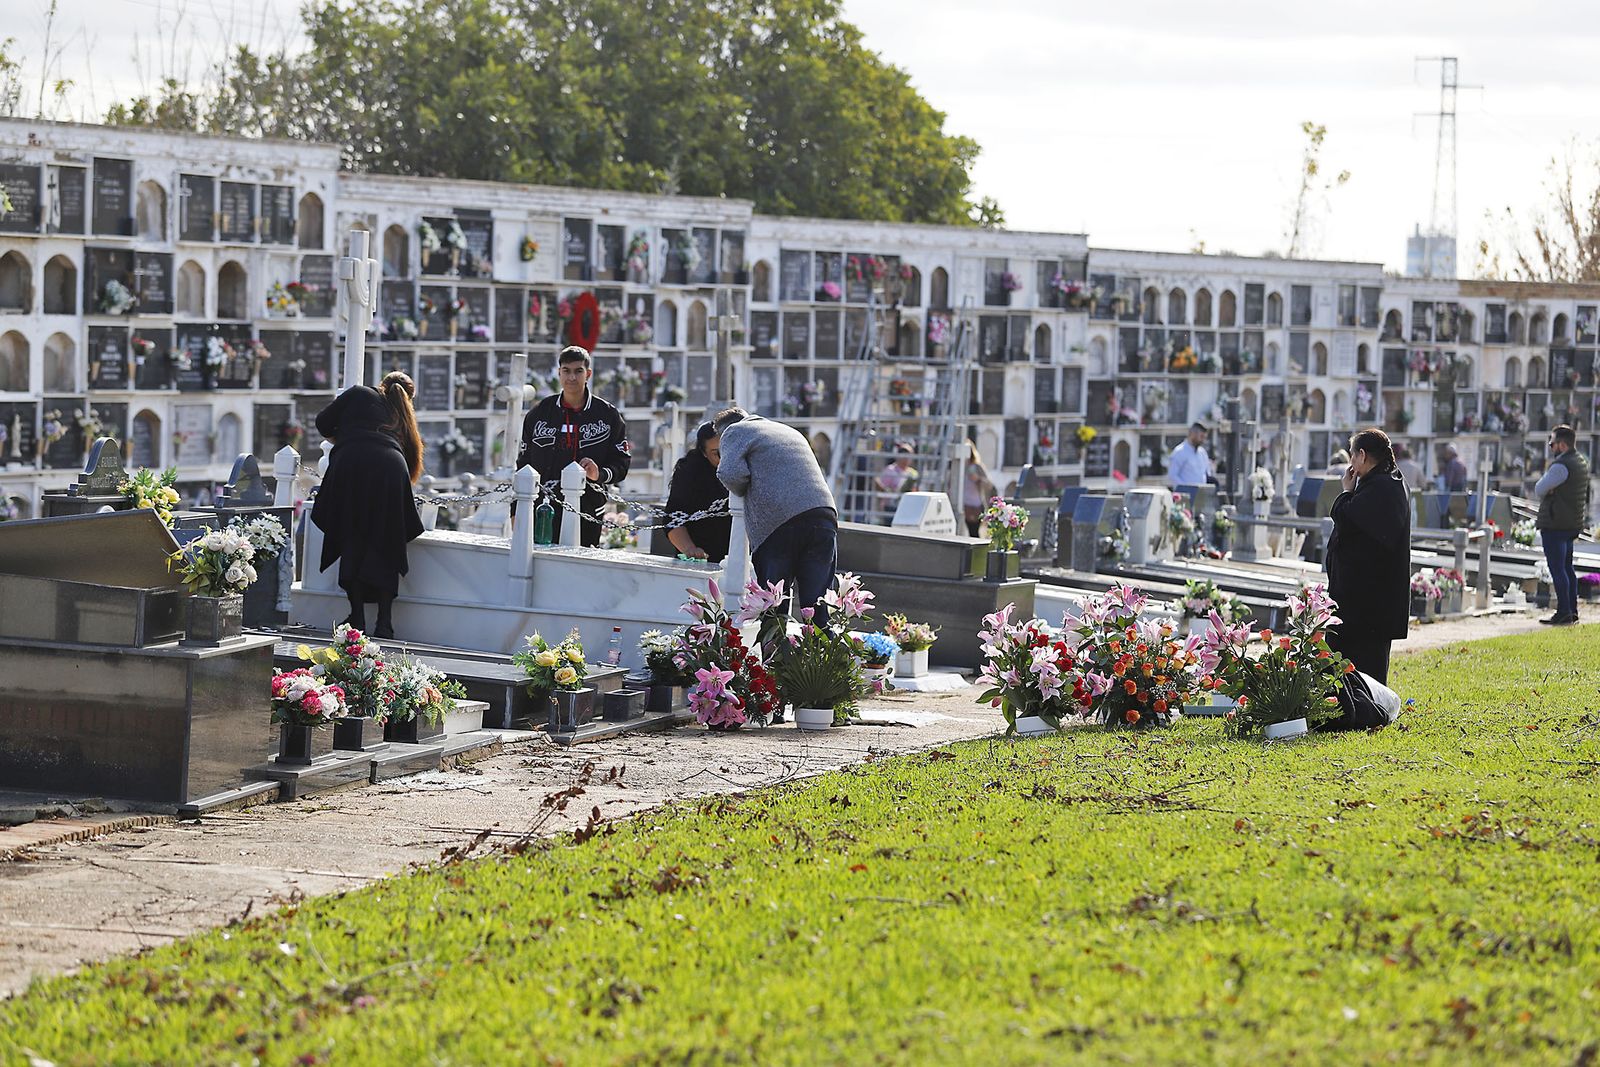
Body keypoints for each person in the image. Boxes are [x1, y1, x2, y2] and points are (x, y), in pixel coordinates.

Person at [311, 371, 426, 639]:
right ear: (409, 397)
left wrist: (345, 437)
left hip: (351, 466)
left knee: (353, 536)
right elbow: (410, 461)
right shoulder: (404, 415)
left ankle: (358, 617)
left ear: (383, 384)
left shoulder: (359, 393)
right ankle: (385, 622)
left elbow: (322, 422)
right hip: (390, 469)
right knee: (386, 542)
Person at [713, 406, 837, 615]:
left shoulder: (734, 431)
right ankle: (821, 646)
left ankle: (775, 647)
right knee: (818, 604)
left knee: (773, 603)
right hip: (823, 513)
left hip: (779, 521)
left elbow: (730, 473)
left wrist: (745, 488)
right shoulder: (785, 430)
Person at [517, 345, 631, 547]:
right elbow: (523, 464)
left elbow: (621, 463)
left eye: (578, 371)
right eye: (566, 371)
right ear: (559, 373)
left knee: (579, 571)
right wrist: (515, 510)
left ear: (588, 374)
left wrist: (599, 474)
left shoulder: (608, 415)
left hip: (587, 510)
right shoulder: (539, 414)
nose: (572, 377)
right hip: (542, 510)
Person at [1324, 427, 1410, 684]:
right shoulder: (1384, 482)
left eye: (1352, 455)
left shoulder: (1381, 488)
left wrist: (1346, 492)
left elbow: (1345, 517)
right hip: (1365, 602)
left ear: (1362, 455)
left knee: (1361, 672)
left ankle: (1359, 713)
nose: (1350, 462)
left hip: (1365, 605)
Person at [1534, 424, 1591, 626]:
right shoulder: (1581, 461)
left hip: (1556, 523)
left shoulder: (1561, 466)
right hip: (1571, 523)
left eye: (1552, 443)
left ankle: (1564, 612)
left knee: (1558, 569)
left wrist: (1549, 490)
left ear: (1562, 445)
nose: (1551, 447)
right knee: (1567, 569)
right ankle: (1571, 611)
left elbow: (1539, 489)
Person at [664, 422, 731, 562]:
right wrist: (690, 549)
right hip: (702, 555)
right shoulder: (689, 473)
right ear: (703, 452)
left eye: (729, 450)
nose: (725, 458)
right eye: (717, 453)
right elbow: (673, 518)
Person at [875, 442, 919, 521]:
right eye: (903, 453)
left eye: (908, 454)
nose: (906, 456)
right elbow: (881, 487)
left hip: (907, 509)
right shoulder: (890, 470)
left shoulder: (913, 473)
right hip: (891, 509)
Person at [962, 439, 997, 537]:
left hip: (976, 505)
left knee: (974, 533)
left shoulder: (977, 466)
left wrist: (978, 479)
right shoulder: (959, 466)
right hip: (964, 505)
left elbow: (989, 484)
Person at [1168, 423, 1211, 488]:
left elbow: (1207, 473)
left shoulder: (1202, 453)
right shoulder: (1180, 452)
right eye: (1201, 437)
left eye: (1204, 437)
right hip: (1185, 495)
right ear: (1193, 434)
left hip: (1201, 493)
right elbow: (1172, 475)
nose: (1203, 440)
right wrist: (1186, 489)